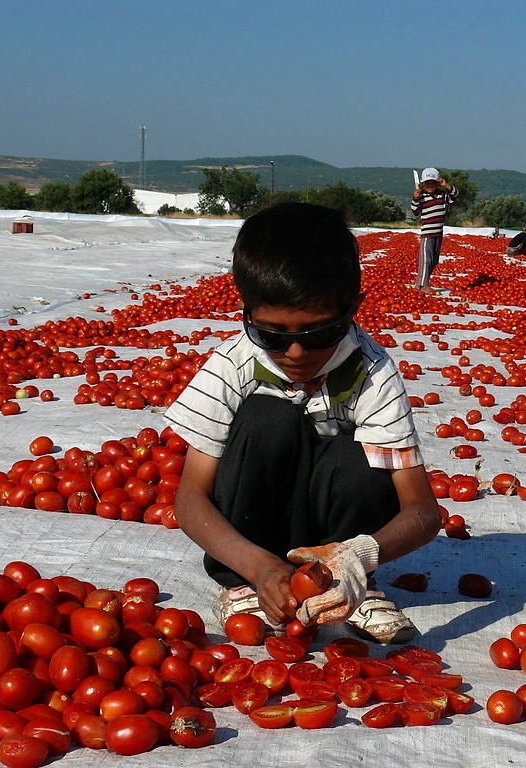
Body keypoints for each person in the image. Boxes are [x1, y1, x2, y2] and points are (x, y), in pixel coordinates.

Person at [166, 202, 441, 645]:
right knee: (267, 414)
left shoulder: (372, 372)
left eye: (317, 334)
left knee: (366, 450)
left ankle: (351, 589)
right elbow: (190, 499)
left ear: (354, 308)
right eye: (272, 335)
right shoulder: (233, 364)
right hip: (253, 542)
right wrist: (260, 567)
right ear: (248, 312)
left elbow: (424, 511)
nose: (295, 354)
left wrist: (358, 557)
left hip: (337, 543)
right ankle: (241, 583)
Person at [410, 168, 458, 294]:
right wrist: (415, 199)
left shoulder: (443, 195)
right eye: (427, 183)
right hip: (427, 233)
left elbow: (455, 195)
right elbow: (415, 212)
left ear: (437, 183)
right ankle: (422, 284)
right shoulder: (421, 196)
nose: (429, 185)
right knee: (426, 259)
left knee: (434, 260)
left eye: (432, 183)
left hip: (438, 233)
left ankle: (421, 283)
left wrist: (446, 185)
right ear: (423, 184)